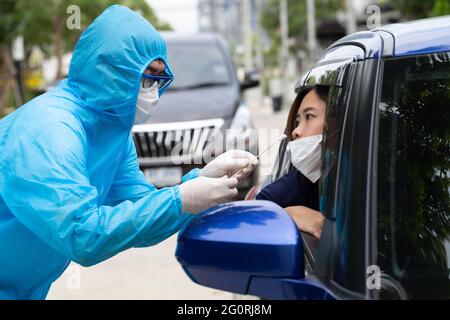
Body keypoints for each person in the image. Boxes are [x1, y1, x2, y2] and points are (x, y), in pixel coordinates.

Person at [0, 5, 257, 299]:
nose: (152, 92)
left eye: (158, 80)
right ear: (107, 71)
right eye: (146, 78)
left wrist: (197, 180)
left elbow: (139, 208)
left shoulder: (113, 131)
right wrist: (181, 199)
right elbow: (81, 233)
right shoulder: (50, 129)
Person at [256, 86, 328, 239]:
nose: (296, 131)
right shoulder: (295, 186)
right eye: (297, 121)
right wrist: (286, 214)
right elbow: (257, 214)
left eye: (309, 116)